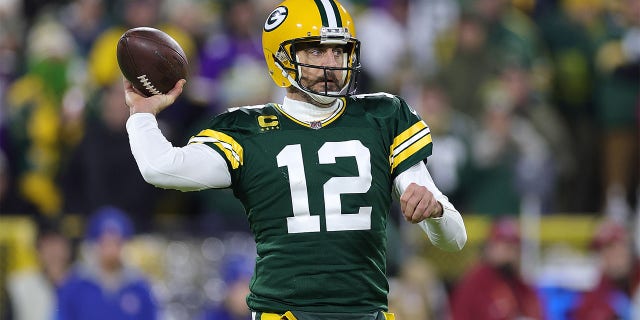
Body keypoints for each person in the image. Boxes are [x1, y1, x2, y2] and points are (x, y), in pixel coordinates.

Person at [124, 0, 467, 319]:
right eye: (317, 51)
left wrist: (435, 211)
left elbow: (454, 238)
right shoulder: (247, 129)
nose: (331, 64)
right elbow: (161, 167)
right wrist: (141, 113)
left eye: (339, 51)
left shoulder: (384, 116)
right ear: (281, 58)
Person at [56, 206, 158, 320]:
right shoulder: (75, 285)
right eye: (106, 243)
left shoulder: (139, 287)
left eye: (117, 243)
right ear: (94, 245)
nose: (111, 250)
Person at [450, 216, 544, 320]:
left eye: (514, 247)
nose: (510, 254)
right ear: (489, 247)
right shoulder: (472, 285)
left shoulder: (521, 287)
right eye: (504, 246)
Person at [571, 219, 639, 319]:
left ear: (628, 247)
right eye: (601, 251)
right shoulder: (602, 287)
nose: (608, 256)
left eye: (612, 247)